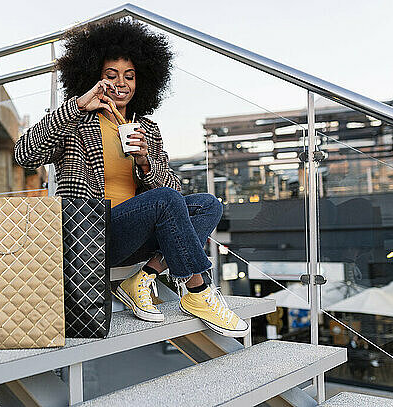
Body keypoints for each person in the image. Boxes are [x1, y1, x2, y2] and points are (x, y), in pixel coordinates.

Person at [15, 19, 248, 337]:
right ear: (94, 78)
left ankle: (145, 275)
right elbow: (25, 156)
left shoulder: (147, 129)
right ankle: (198, 292)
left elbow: (174, 194)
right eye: (110, 76)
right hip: (92, 236)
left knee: (207, 205)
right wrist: (79, 105)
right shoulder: (75, 123)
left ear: (142, 81)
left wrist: (145, 162)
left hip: (136, 236)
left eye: (129, 76)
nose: (120, 83)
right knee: (166, 201)